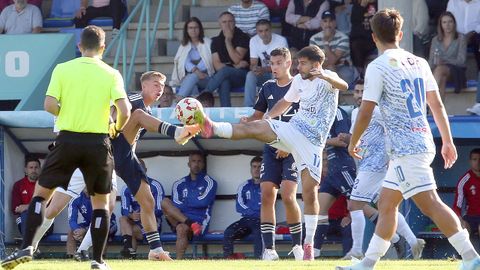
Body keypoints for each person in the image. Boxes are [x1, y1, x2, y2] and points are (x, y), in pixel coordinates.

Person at [337, 9, 480, 270]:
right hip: (420, 141)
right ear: (400, 34)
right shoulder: (419, 62)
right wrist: (447, 141)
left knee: (431, 205)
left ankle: (471, 257)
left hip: (406, 148)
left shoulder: (377, 67)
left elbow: (366, 110)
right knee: (387, 204)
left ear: (373, 37)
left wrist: (352, 141)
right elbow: (436, 105)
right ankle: (367, 264)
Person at [196, 45, 349, 261]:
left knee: (309, 193)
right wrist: (267, 117)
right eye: (297, 62)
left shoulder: (327, 76)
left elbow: (344, 85)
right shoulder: (298, 81)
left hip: (313, 143)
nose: (298, 66)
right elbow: (285, 102)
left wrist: (326, 76)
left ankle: (307, 245)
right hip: (294, 129)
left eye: (302, 63)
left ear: (316, 64)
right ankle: (214, 127)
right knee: (255, 127)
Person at [1, 25, 131, 270]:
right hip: (98, 142)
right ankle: (98, 261)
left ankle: (27, 246)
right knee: (102, 204)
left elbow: (49, 104)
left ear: (79, 47)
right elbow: (125, 111)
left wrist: (67, 113)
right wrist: (115, 128)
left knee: (41, 195)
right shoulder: (111, 73)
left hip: (66, 140)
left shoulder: (63, 69)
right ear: (103, 48)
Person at [109, 70, 200, 261]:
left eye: (163, 86)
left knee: (148, 201)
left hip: (125, 154)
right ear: (144, 86)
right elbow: (112, 111)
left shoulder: (148, 112)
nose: (160, 89)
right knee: (139, 115)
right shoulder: (134, 99)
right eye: (156, 85)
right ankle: (176, 132)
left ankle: (156, 250)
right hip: (110, 146)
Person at [344, 79, 425, 260]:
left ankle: (356, 250)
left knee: (354, 204)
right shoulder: (356, 112)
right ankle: (412, 241)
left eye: (363, 91)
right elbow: (356, 138)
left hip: (376, 164)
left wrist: (390, 156)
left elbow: (391, 131)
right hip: (364, 164)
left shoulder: (378, 110)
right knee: (385, 206)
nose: (358, 95)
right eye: (356, 92)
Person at [240, 47, 303, 261]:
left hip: (293, 147)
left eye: (278, 63)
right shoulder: (267, 87)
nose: (273, 67)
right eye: (272, 63)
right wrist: (248, 122)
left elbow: (304, 122)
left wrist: (289, 146)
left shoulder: (300, 85)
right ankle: (269, 250)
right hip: (270, 146)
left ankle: (297, 246)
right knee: (267, 193)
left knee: (288, 194)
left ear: (288, 63)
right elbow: (259, 116)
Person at [161, 151, 218, 259]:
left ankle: (178, 262)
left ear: (203, 164)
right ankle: (190, 223)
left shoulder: (210, 182)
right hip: (180, 218)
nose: (196, 164)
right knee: (164, 202)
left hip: (199, 221)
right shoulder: (179, 183)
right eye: (193, 161)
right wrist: (193, 202)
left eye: (199, 161)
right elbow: (176, 204)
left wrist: (186, 202)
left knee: (181, 229)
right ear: (189, 164)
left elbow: (203, 202)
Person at [119, 159, 165, 259]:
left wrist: (143, 214)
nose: (137, 171)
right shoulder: (126, 188)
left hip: (153, 222)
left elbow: (159, 209)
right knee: (123, 219)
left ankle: (130, 256)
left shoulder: (155, 186)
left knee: (134, 229)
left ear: (145, 170)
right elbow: (124, 210)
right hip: (135, 222)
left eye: (140, 168)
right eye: (135, 169)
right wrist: (131, 215)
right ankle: (128, 249)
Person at [204, 11, 250, 107]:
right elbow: (217, 66)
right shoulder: (215, 41)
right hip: (227, 75)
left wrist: (228, 41)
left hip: (243, 75)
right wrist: (235, 66)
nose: (227, 24)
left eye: (230, 21)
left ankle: (204, 95)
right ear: (219, 24)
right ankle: (226, 110)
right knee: (224, 81)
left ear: (234, 23)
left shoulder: (243, 37)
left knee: (225, 72)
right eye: (224, 22)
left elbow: (236, 59)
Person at [223, 156, 262, 259]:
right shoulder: (243, 186)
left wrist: (253, 212)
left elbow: (269, 206)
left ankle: (259, 261)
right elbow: (239, 206)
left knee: (260, 233)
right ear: (251, 169)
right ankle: (228, 260)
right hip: (246, 220)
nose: (257, 169)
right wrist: (255, 212)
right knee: (229, 232)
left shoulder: (268, 186)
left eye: (259, 167)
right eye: (254, 167)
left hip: (262, 221)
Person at [244, 19, 288, 107]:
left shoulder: (281, 40)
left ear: (271, 29)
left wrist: (264, 69)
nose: (264, 33)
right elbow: (253, 63)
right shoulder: (253, 40)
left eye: (266, 30)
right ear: (257, 31)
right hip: (264, 73)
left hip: (279, 74)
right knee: (250, 75)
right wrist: (255, 69)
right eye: (260, 31)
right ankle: (248, 108)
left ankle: (275, 107)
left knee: (276, 74)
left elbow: (282, 65)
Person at [309, 10, 357, 88]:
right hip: (322, 68)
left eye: (330, 21)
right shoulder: (314, 39)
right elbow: (314, 62)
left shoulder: (343, 38)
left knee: (331, 70)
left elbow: (332, 61)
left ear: (335, 23)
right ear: (321, 23)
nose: (328, 24)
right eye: (325, 21)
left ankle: (337, 97)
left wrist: (325, 42)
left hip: (343, 68)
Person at [170, 17, 214, 101]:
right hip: (190, 78)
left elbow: (208, 61)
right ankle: (195, 107)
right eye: (190, 28)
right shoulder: (183, 46)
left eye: (196, 27)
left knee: (193, 76)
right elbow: (183, 62)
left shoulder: (208, 42)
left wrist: (195, 72)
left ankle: (179, 99)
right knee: (193, 85)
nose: (193, 30)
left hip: (207, 77)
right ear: (186, 30)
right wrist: (196, 71)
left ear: (200, 29)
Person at [428, 11, 467, 100]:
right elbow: (431, 61)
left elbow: (461, 61)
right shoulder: (435, 40)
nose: (447, 25)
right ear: (440, 24)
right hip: (440, 73)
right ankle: (439, 111)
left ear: (454, 23)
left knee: (440, 69)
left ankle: (428, 100)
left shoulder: (461, 38)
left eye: (450, 22)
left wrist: (444, 61)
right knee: (442, 79)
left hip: (456, 71)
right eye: (444, 22)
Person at [453, 148, 480, 239]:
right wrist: (460, 220)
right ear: (470, 161)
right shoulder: (464, 180)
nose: (478, 162)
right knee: (462, 230)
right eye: (474, 159)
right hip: (470, 217)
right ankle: (462, 254)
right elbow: (457, 205)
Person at [11, 157, 41, 235]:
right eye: (31, 168)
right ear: (26, 170)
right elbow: (15, 209)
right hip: (24, 221)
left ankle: (28, 244)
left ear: (40, 169)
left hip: (42, 221)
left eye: (36, 167)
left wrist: (28, 206)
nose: (34, 170)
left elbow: (48, 206)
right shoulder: (18, 185)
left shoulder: (45, 185)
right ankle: (28, 243)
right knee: (25, 214)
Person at [349, 0, 377, 77]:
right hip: (361, 39)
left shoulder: (379, 3)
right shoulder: (357, 5)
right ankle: (359, 74)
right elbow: (354, 21)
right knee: (356, 45)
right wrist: (362, 6)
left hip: (376, 38)